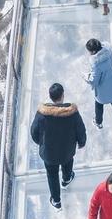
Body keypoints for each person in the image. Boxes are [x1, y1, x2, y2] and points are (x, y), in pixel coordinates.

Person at [30, 82, 86, 210]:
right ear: (63, 96)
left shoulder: (42, 114)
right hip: (67, 150)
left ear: (50, 97)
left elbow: (34, 132)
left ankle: (56, 200)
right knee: (67, 163)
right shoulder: (72, 113)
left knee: (52, 174)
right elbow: (80, 129)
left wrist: (41, 143)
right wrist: (81, 142)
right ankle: (66, 180)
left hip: (49, 153)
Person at [85, 38, 112, 131]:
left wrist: (86, 77)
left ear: (93, 51)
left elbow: (94, 81)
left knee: (99, 104)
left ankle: (98, 123)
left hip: (104, 90)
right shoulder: (109, 48)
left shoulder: (96, 63)